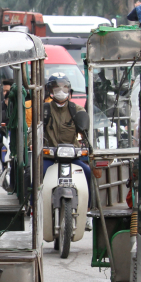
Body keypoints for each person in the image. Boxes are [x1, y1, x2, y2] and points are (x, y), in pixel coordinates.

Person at [42, 74, 93, 226]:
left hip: (72, 155)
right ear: (50, 90)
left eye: (65, 87)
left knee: (87, 172)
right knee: (36, 175)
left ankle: (88, 212)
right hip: (50, 155)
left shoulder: (76, 109)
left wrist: (88, 142)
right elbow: (34, 130)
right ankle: (34, 213)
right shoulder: (44, 110)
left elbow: (85, 131)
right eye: (57, 88)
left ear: (70, 90)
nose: (61, 91)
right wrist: (32, 142)